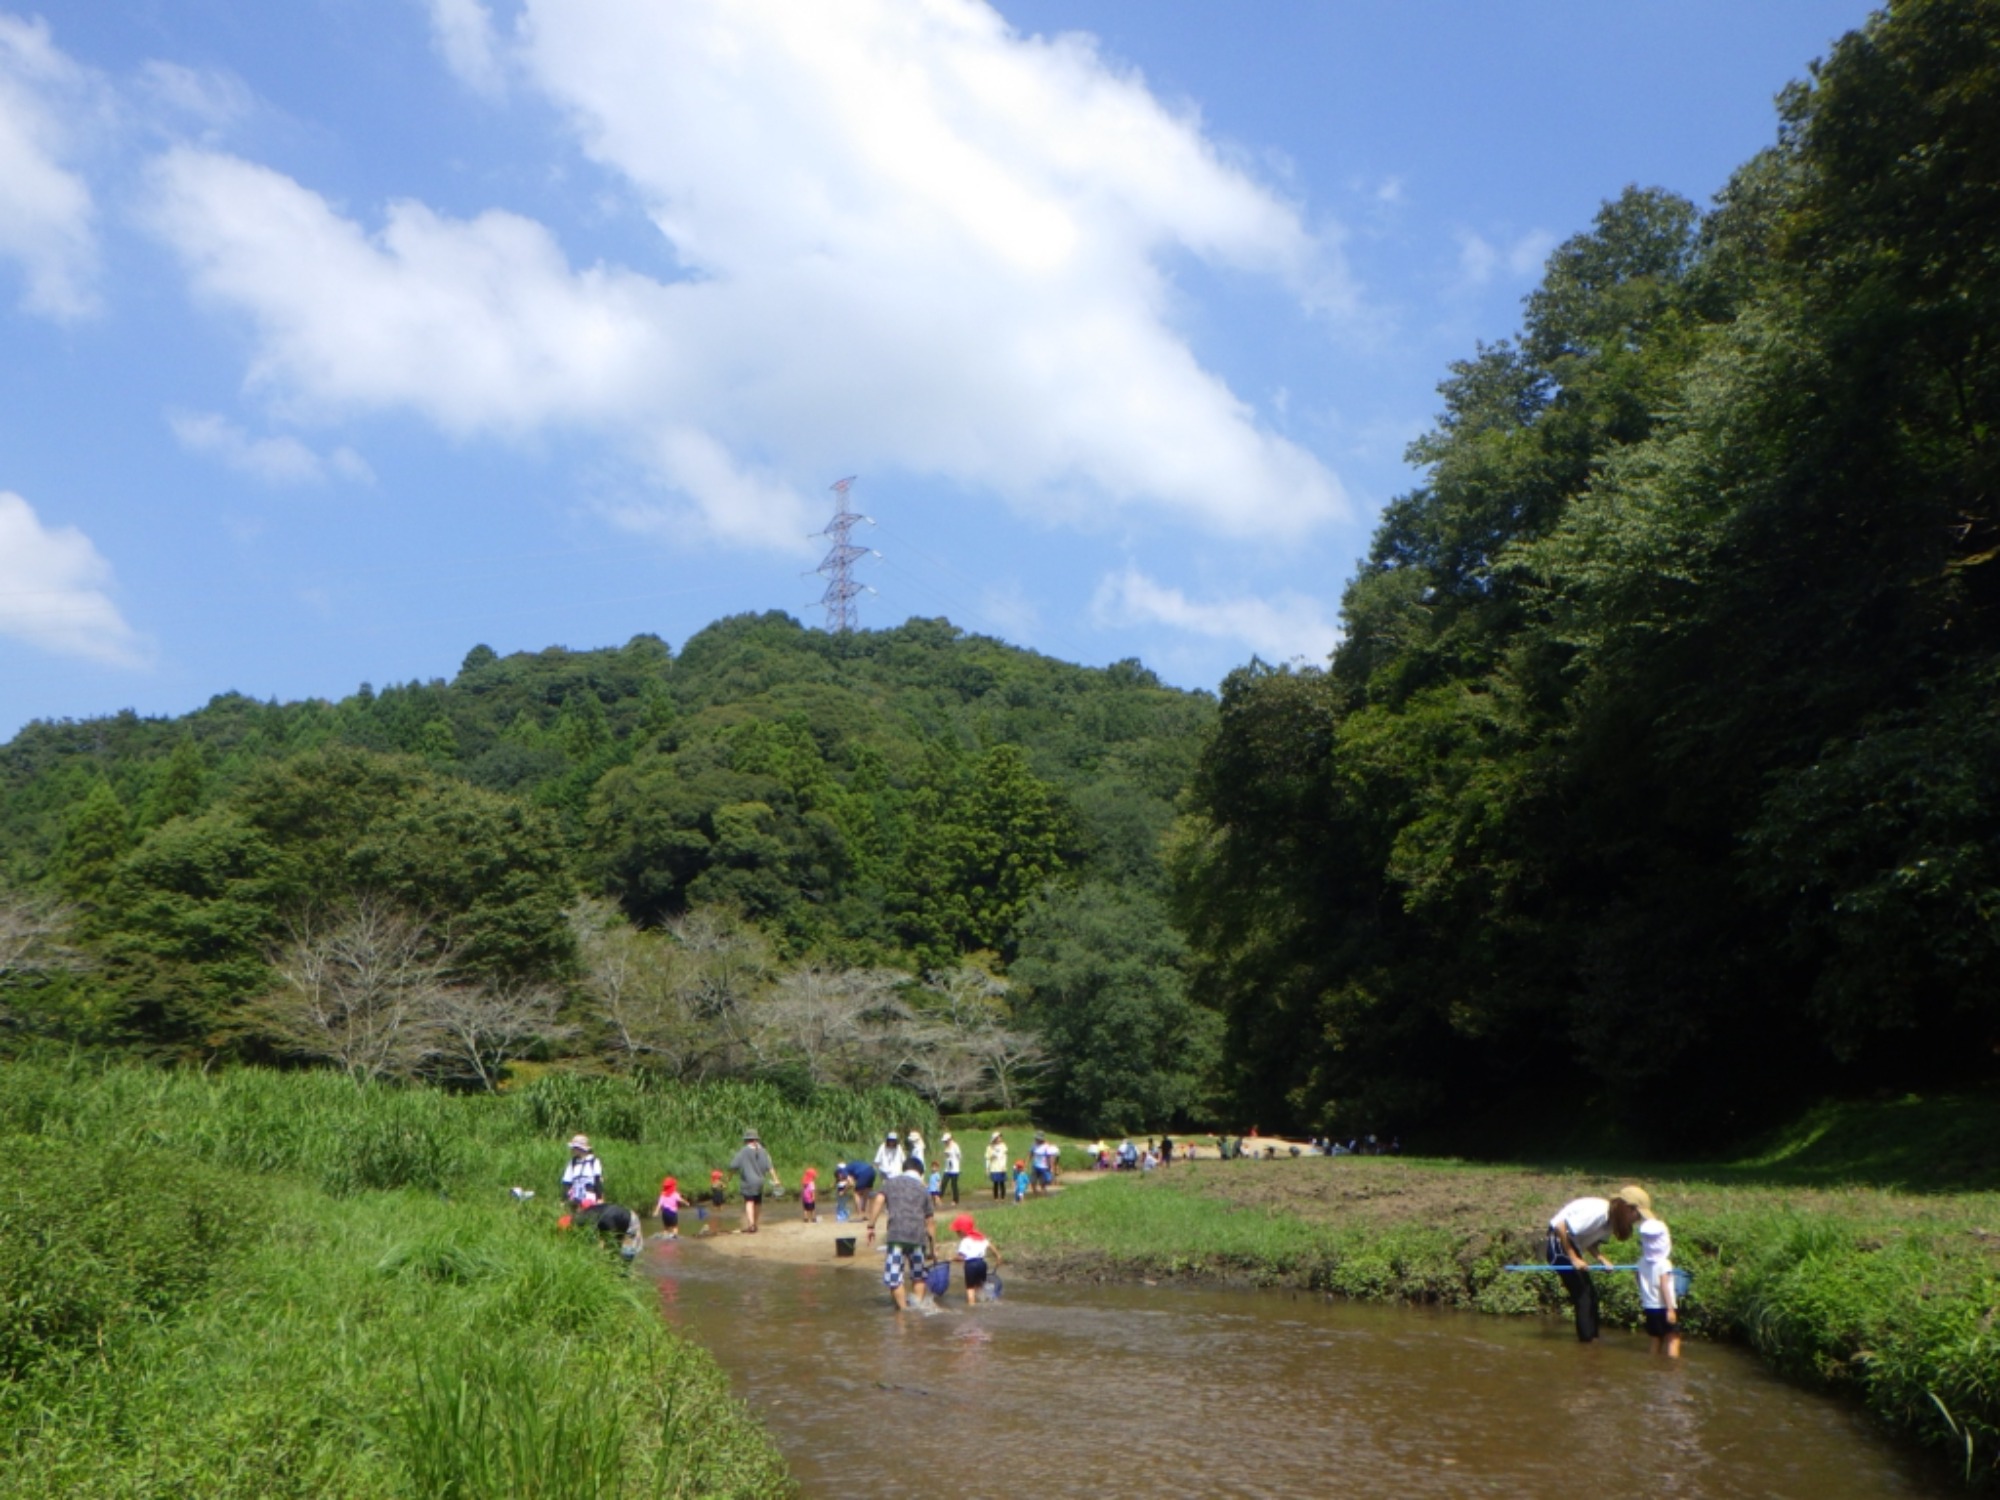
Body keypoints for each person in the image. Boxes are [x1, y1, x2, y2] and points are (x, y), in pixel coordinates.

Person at [1547, 1185, 1651, 1342]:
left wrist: (1601, 1258)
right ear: (1627, 1208)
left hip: (1571, 1244)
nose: (1637, 1219)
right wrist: (1573, 1258)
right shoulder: (1599, 1212)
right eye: (1637, 1214)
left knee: (1591, 1296)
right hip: (1557, 1243)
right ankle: (1587, 1342)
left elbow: (1590, 1241)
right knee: (1583, 1296)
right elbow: (1561, 1226)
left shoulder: (1611, 1220)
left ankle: (1593, 1337)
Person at [867, 1155, 937, 1313]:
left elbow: (878, 1200)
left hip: (897, 1236)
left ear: (904, 1169)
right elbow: (930, 1221)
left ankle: (904, 1311)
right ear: (920, 1172)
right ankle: (917, 1308)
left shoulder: (890, 1184)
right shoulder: (923, 1189)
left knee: (894, 1277)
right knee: (918, 1275)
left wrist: (871, 1225)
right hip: (918, 1238)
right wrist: (933, 1247)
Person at [1637, 1205, 1681, 1358]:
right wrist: (1670, 1309)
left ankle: (1653, 1363)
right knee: (1673, 1338)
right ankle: (1673, 1367)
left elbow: (1638, 1278)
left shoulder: (1641, 1261)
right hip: (1663, 1306)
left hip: (1649, 1306)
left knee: (1655, 1338)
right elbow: (1664, 1285)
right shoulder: (1664, 1263)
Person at [727, 1128, 779, 1234]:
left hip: (748, 1182)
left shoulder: (744, 1151)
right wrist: (776, 1179)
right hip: (760, 1181)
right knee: (758, 1202)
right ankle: (755, 1223)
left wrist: (729, 1178)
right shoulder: (763, 1151)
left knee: (749, 1202)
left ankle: (751, 1225)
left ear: (747, 1140)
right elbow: (770, 1167)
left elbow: (733, 1166)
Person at [950, 1213, 1000, 1306]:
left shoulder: (965, 1241)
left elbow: (961, 1257)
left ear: (962, 1231)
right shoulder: (981, 1238)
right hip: (982, 1264)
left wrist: (952, 1259)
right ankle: (982, 1301)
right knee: (980, 1285)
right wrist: (998, 1256)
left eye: (957, 1231)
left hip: (971, 1266)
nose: (957, 1233)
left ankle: (971, 1305)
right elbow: (990, 1246)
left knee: (970, 1288)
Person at [561, 1134, 603, 1207]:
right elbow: (567, 1182)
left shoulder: (594, 1161)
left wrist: (599, 1198)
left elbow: (597, 1180)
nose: (572, 1150)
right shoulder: (572, 1163)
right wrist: (564, 1199)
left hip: (590, 1195)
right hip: (575, 1197)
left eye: (574, 1148)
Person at [655, 1175, 684, 1240]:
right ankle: (675, 1237)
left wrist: (656, 1211)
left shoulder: (662, 1195)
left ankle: (664, 1238)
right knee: (675, 1226)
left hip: (665, 1213)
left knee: (666, 1227)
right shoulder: (675, 1194)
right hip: (673, 1213)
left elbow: (659, 1204)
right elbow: (680, 1200)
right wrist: (687, 1202)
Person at [986, 1131, 1009, 1201]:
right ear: (995, 1139)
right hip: (994, 1168)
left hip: (1001, 1167)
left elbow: (1005, 1155)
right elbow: (987, 1158)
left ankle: (1003, 1197)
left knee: (1002, 1182)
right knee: (995, 1183)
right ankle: (995, 1197)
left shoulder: (1003, 1146)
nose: (1000, 1138)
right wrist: (987, 1168)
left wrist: (1004, 1165)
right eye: (998, 1137)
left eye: (1000, 1137)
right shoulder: (989, 1147)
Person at [941, 1131, 962, 1205]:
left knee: (954, 1185)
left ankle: (955, 1200)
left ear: (950, 1139)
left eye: (946, 1141)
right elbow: (946, 1156)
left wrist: (955, 1162)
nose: (945, 1142)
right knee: (943, 1183)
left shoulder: (955, 1146)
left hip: (954, 1169)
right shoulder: (946, 1147)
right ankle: (939, 1198)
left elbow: (959, 1156)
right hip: (947, 1168)